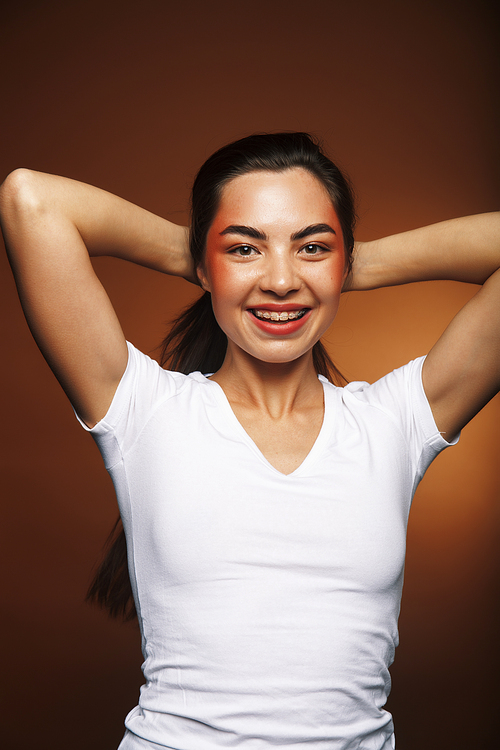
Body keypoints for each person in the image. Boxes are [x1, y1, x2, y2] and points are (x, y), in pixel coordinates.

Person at [1, 132, 498, 750]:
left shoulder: (392, 421)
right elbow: (31, 201)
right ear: (204, 265)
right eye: (247, 248)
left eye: (311, 247)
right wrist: (205, 255)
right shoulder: (146, 410)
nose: (282, 280)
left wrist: (344, 265)